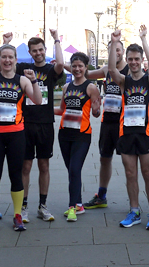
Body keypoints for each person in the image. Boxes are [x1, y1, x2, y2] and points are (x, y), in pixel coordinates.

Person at [0, 35, 42, 232]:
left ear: (16, 60)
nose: (7, 60)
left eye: (11, 57)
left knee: (16, 174)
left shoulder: (22, 80)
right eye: (3, 57)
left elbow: (38, 101)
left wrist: (34, 82)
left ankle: (17, 215)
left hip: (16, 134)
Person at [3, 30, 64, 222]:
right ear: (29, 53)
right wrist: (6, 43)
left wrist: (56, 39)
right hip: (25, 124)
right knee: (26, 166)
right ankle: (24, 206)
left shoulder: (50, 70)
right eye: (34, 51)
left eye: (40, 50)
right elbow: (5, 63)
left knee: (44, 165)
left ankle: (43, 206)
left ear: (45, 50)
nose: (37, 53)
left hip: (45, 124)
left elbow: (61, 64)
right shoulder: (23, 68)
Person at [108, 26, 149, 230]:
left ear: (141, 61)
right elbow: (112, 69)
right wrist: (113, 43)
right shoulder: (124, 81)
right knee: (130, 173)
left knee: (147, 172)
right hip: (127, 133)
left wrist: (144, 39)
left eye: (137, 59)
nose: (134, 62)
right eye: (131, 59)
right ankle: (134, 210)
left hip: (146, 134)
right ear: (127, 61)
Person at [79, 40, 131, 210]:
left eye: (117, 50)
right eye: (111, 50)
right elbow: (85, 74)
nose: (115, 53)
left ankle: (134, 200)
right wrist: (67, 64)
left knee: (128, 162)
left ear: (123, 51)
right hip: (108, 122)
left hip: (125, 122)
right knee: (104, 158)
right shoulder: (105, 70)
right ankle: (101, 196)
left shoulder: (129, 69)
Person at [54, 52, 101, 222]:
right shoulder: (66, 87)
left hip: (82, 135)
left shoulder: (91, 88)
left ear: (86, 67)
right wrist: (43, 110)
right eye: (74, 66)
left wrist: (96, 109)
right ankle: (79, 204)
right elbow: (61, 110)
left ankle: (72, 207)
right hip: (64, 134)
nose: (77, 69)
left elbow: (96, 114)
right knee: (72, 171)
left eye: (80, 66)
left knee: (74, 169)